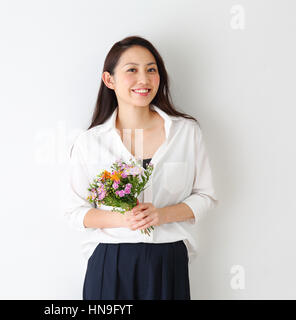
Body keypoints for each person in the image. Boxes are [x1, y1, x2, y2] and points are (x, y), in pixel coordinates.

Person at [64, 35, 219, 300]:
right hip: (111, 262)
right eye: (132, 70)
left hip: (168, 260)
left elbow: (206, 196)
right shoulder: (90, 142)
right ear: (109, 80)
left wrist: (162, 215)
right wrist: (123, 220)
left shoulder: (186, 132)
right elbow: (75, 212)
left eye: (151, 69)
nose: (144, 80)